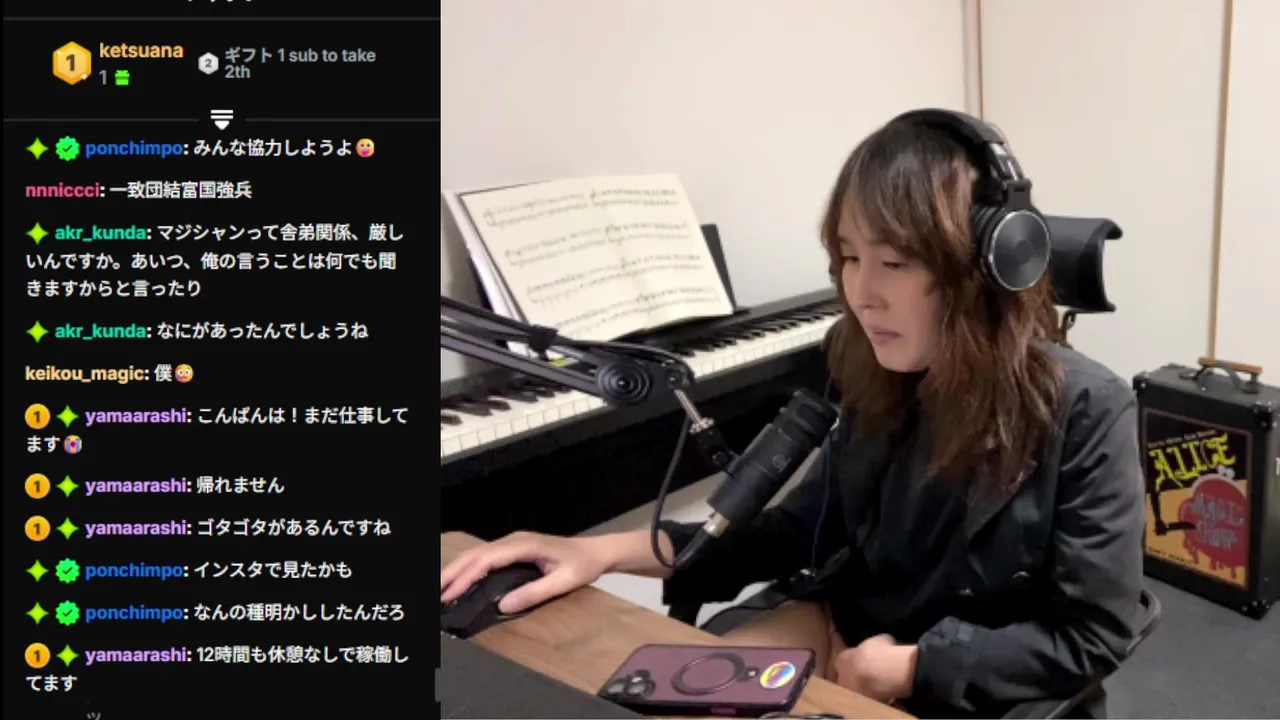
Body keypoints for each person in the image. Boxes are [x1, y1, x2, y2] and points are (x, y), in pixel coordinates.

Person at [440, 112, 1145, 719]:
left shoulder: (1089, 408)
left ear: (986, 266)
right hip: (846, 627)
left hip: (978, 675)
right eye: (848, 257)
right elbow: (795, 532)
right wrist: (599, 553)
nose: (862, 293)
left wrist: (912, 667)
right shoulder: (872, 367)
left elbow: (1093, 634)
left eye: (895, 263)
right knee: (670, 700)